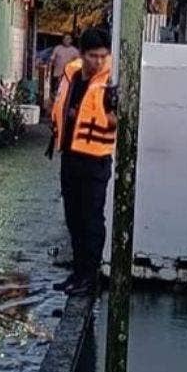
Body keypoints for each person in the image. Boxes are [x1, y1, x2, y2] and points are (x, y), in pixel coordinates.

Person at [48, 27, 118, 295]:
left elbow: (120, 119)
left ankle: (90, 278)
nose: (98, 61)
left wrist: (111, 115)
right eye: (93, 55)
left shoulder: (111, 82)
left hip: (96, 159)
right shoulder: (73, 74)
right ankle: (77, 274)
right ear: (82, 53)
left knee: (91, 220)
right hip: (70, 156)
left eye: (103, 56)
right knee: (73, 219)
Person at [49, 33, 79, 107]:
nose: (67, 40)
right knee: (56, 92)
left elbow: (79, 63)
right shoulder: (57, 48)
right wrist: (48, 71)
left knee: (67, 93)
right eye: (65, 38)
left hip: (69, 76)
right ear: (62, 40)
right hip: (58, 74)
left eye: (68, 39)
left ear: (71, 40)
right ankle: (55, 107)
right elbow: (51, 60)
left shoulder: (75, 51)